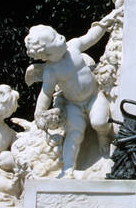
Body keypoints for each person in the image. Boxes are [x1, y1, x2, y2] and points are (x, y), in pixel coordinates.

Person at [24, 16, 117, 174]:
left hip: (94, 96)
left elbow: (90, 37)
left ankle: (103, 137)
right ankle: (68, 167)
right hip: (73, 104)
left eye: (56, 34)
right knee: (74, 134)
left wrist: (105, 24)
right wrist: (39, 113)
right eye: (54, 39)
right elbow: (45, 94)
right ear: (46, 55)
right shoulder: (51, 71)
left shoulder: (72, 47)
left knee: (100, 122)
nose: (60, 38)